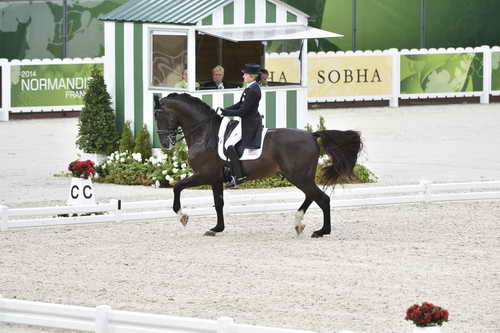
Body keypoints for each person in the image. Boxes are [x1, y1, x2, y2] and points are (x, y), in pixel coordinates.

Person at [216, 64, 263, 188]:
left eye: (245, 74)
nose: (243, 76)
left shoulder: (254, 90)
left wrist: (225, 113)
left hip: (249, 123)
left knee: (229, 144)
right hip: (245, 120)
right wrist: (224, 110)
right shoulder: (250, 87)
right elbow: (239, 104)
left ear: (251, 76)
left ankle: (239, 176)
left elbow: (243, 112)